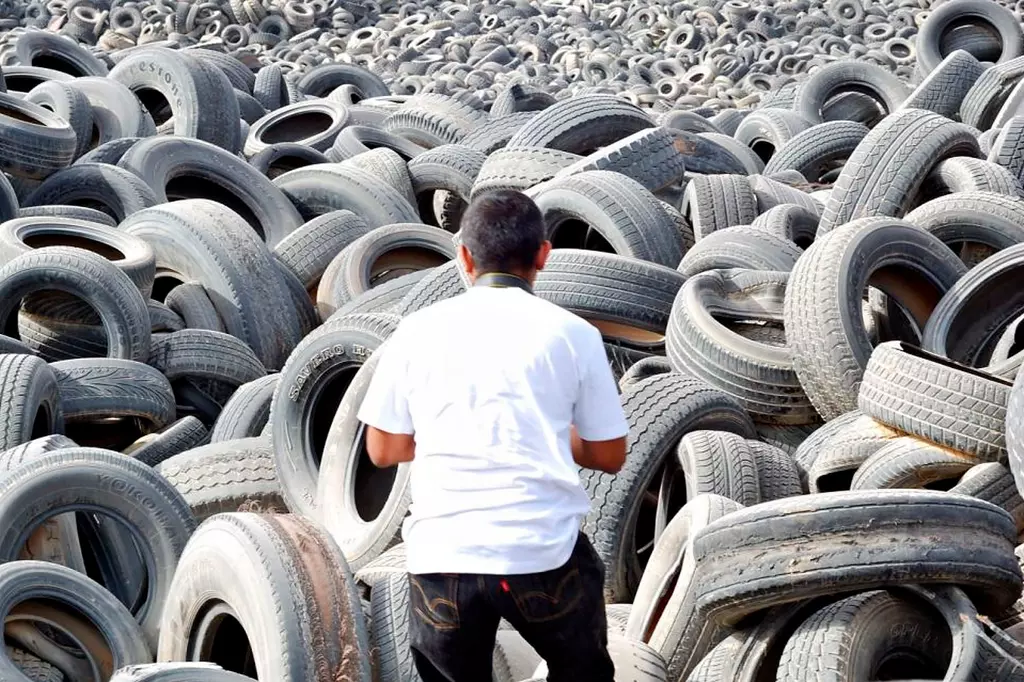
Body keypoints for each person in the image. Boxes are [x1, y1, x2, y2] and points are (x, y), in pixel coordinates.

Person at [356, 189, 629, 682]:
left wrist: (450, 432)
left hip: (445, 557)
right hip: (544, 553)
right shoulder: (574, 335)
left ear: (463, 257)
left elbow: (383, 449)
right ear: (544, 254)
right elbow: (610, 455)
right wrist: (544, 433)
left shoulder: (416, 330)